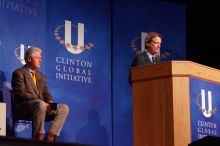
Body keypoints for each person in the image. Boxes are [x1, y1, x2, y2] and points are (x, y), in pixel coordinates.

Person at [11, 47, 69, 142]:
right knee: (40, 104)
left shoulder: (41, 75)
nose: (40, 60)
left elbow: (46, 93)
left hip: (43, 106)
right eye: (38, 58)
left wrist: (50, 102)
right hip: (24, 108)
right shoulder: (19, 73)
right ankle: (38, 136)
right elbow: (21, 93)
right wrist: (41, 102)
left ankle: (50, 135)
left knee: (64, 108)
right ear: (29, 59)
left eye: (40, 58)